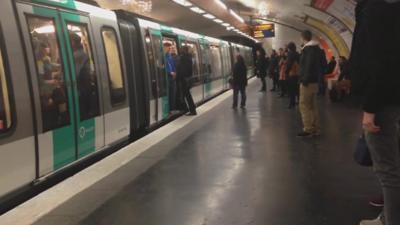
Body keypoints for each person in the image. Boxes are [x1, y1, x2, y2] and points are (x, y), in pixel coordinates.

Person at [349, 0, 400, 225]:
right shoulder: (389, 8)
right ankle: (387, 216)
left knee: (387, 170)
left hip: (383, 101)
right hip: (392, 97)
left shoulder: (374, 10)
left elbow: (381, 63)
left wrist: (370, 108)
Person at [298, 30, 323, 137]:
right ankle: (316, 128)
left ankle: (308, 128)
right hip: (315, 81)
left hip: (308, 82)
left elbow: (307, 66)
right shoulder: (318, 49)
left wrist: (304, 80)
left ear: (303, 38)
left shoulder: (308, 50)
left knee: (304, 105)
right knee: (313, 106)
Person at [70, 32, 98, 120]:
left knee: (82, 113)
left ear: (73, 42)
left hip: (81, 89)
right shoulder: (82, 53)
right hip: (85, 87)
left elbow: (74, 74)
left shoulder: (77, 55)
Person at [176, 45, 197, 116]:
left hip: (184, 79)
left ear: (183, 50)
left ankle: (192, 110)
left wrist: (177, 77)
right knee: (187, 95)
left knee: (187, 95)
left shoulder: (183, 58)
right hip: (188, 79)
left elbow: (181, 70)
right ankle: (190, 108)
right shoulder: (189, 57)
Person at [285, 42, 300, 109]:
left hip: (292, 74)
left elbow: (289, 64)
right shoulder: (297, 53)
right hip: (298, 74)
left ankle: (292, 103)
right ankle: (299, 102)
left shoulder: (290, 54)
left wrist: (286, 72)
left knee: (291, 89)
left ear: (289, 48)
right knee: (297, 89)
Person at [164, 42, 177, 113]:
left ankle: (172, 108)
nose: (169, 48)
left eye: (169, 47)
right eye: (167, 47)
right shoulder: (163, 56)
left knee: (173, 93)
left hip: (173, 77)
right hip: (168, 77)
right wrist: (170, 72)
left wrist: (175, 72)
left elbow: (173, 65)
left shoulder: (170, 56)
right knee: (169, 93)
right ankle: (169, 109)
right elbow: (163, 67)